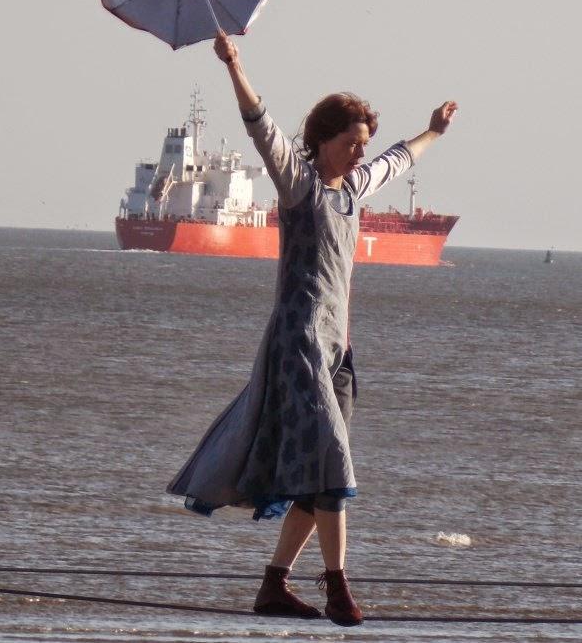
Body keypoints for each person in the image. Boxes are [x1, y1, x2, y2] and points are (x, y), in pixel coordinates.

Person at [167, 32, 457, 626]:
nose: (358, 153)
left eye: (363, 145)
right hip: (297, 347)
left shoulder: (352, 190)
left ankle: (274, 585)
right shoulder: (298, 187)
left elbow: (398, 160)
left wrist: (432, 131)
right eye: (350, 143)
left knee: (319, 476)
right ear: (322, 141)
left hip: (338, 354)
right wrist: (235, 65)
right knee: (332, 466)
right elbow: (259, 125)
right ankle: (337, 586)